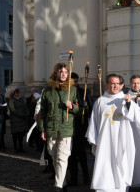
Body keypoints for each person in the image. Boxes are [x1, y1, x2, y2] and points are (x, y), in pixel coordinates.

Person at [86, 74, 140, 192]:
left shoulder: (126, 99)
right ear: (107, 85)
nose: (115, 86)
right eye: (112, 83)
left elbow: (135, 117)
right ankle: (103, 187)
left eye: (117, 84)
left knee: (121, 163)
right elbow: (94, 122)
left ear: (121, 85)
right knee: (104, 163)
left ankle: (120, 187)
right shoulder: (100, 102)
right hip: (104, 141)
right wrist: (94, 139)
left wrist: (128, 104)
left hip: (122, 139)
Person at [38, 63, 80, 191]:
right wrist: (42, 128)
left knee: (62, 158)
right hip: (51, 128)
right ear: (55, 73)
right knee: (54, 157)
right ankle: (64, 183)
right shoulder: (47, 90)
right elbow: (43, 110)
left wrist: (72, 107)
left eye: (65, 72)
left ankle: (58, 187)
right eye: (60, 71)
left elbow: (78, 109)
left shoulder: (72, 90)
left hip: (66, 129)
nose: (63, 74)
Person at [67, 72, 92, 186]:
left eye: (76, 81)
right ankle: (73, 177)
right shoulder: (66, 93)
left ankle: (86, 175)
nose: (75, 84)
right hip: (69, 126)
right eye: (72, 82)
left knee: (81, 154)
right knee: (71, 155)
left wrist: (86, 107)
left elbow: (91, 108)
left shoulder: (84, 91)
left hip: (80, 126)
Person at [7, 88, 29, 153]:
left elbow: (25, 107)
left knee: (21, 134)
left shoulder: (21, 99)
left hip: (22, 120)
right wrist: (20, 115)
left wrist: (27, 113)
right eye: (16, 92)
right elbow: (13, 109)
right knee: (15, 134)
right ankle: (15, 147)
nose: (17, 94)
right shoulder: (11, 100)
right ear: (13, 93)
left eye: (18, 92)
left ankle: (21, 147)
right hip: (15, 119)